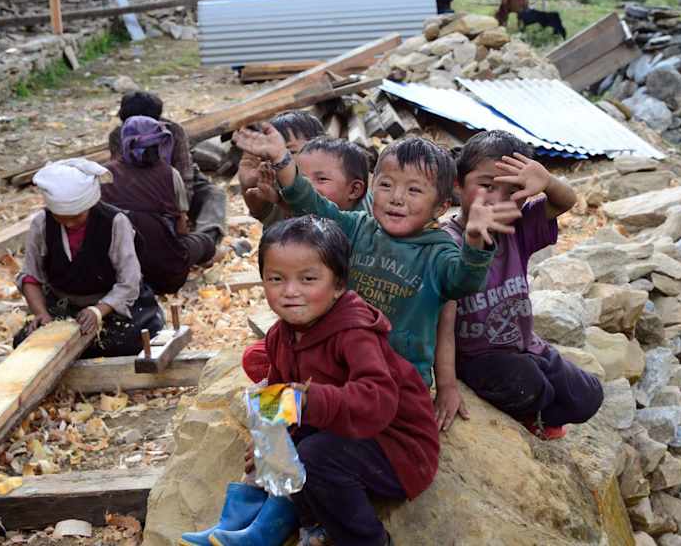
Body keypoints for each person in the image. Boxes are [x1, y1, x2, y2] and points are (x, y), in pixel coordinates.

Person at [234, 124, 521, 389]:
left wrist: (474, 244)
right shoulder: (356, 227)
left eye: (414, 190)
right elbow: (312, 203)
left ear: (440, 207)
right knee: (273, 348)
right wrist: (284, 160)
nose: (397, 197)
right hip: (340, 364)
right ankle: (284, 422)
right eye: (386, 185)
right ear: (373, 189)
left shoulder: (439, 252)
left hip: (396, 378)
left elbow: (464, 282)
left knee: (332, 417)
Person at [228, 216, 438, 546]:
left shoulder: (354, 333)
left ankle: (367, 540)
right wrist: (266, 437)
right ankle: (306, 525)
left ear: (339, 284)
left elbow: (378, 401)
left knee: (314, 455)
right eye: (276, 279)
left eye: (308, 279)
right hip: (342, 429)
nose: (291, 291)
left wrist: (312, 402)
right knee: (281, 447)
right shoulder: (279, 336)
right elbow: (280, 390)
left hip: (397, 446)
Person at [441, 130, 604, 439]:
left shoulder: (518, 227)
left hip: (526, 345)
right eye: (485, 186)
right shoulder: (445, 243)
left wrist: (548, 180)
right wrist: (447, 383)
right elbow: (443, 324)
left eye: (510, 190)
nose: (495, 198)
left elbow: (566, 201)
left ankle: (540, 408)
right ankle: (534, 412)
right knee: (528, 384)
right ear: (458, 185)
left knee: (589, 395)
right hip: (478, 358)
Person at [13, 159, 164, 357]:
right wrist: (41, 314)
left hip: (110, 304)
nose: (69, 224)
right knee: (25, 342)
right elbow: (31, 277)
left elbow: (129, 281)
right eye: (61, 217)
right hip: (63, 306)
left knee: (129, 340)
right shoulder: (42, 223)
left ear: (89, 205)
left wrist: (98, 311)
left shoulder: (115, 222)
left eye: (76, 216)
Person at [102, 116, 218, 294]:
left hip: (113, 276)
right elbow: (181, 229)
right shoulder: (170, 174)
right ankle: (225, 252)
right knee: (204, 243)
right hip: (165, 276)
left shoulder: (104, 175)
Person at [108, 91, 226, 244]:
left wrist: (182, 212)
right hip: (137, 184)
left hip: (177, 183)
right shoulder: (117, 136)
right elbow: (120, 176)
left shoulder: (174, 131)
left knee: (214, 194)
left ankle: (206, 240)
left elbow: (185, 175)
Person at [241, 136, 371, 227]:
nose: (307, 186)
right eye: (302, 179)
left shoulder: (361, 228)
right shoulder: (301, 216)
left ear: (354, 190)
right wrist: (278, 200)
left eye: (321, 179)